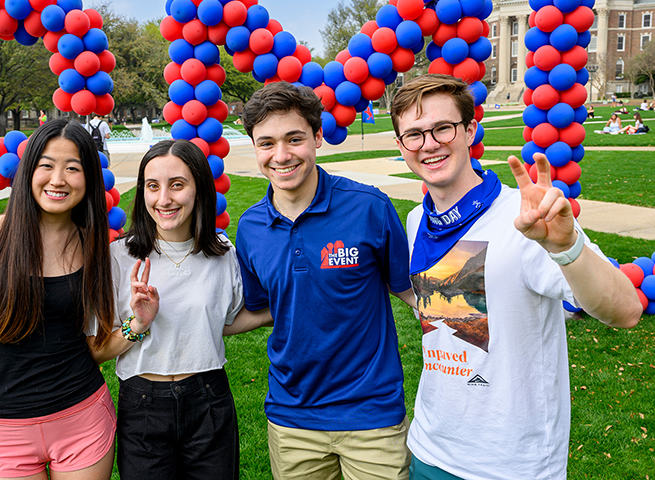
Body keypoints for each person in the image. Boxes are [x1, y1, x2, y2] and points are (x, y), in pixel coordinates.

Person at [390, 74, 642, 480]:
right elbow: (445, 316)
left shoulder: (524, 220)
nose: (429, 144)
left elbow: (626, 310)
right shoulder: (417, 220)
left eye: (442, 127)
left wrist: (565, 246)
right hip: (429, 447)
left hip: (510, 464)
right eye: (414, 135)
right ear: (401, 146)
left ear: (470, 130)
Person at [233, 81, 416, 480]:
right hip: (291, 419)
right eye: (266, 143)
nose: (281, 155)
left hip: (373, 417)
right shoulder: (250, 228)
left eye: (294, 138)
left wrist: (475, 316)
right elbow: (264, 307)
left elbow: (405, 287)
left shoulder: (369, 207)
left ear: (317, 137)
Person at [0, 119, 119, 479]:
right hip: (4, 427)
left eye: (72, 168)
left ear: (88, 178)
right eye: (46, 165)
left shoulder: (92, 244)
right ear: (28, 171)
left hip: (82, 417)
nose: (58, 179)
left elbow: (96, 337)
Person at [89, 139, 243, 480]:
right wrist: (138, 324)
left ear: (200, 189)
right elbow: (94, 352)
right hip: (143, 405)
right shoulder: (118, 257)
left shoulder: (224, 255)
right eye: (152, 186)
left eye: (177, 185)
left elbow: (228, 319)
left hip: (209, 400)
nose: (164, 199)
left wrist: (284, 306)